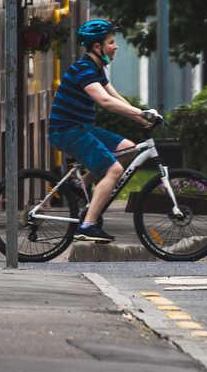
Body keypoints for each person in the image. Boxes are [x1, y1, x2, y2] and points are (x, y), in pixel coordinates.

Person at [49, 20, 157, 244]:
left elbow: (116, 97)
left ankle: (81, 184)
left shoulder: (96, 69)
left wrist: (142, 118)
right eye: (111, 42)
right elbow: (105, 101)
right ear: (97, 47)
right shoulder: (84, 69)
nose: (116, 46)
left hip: (83, 128)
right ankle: (87, 225)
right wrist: (141, 113)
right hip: (68, 131)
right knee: (114, 170)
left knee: (128, 149)